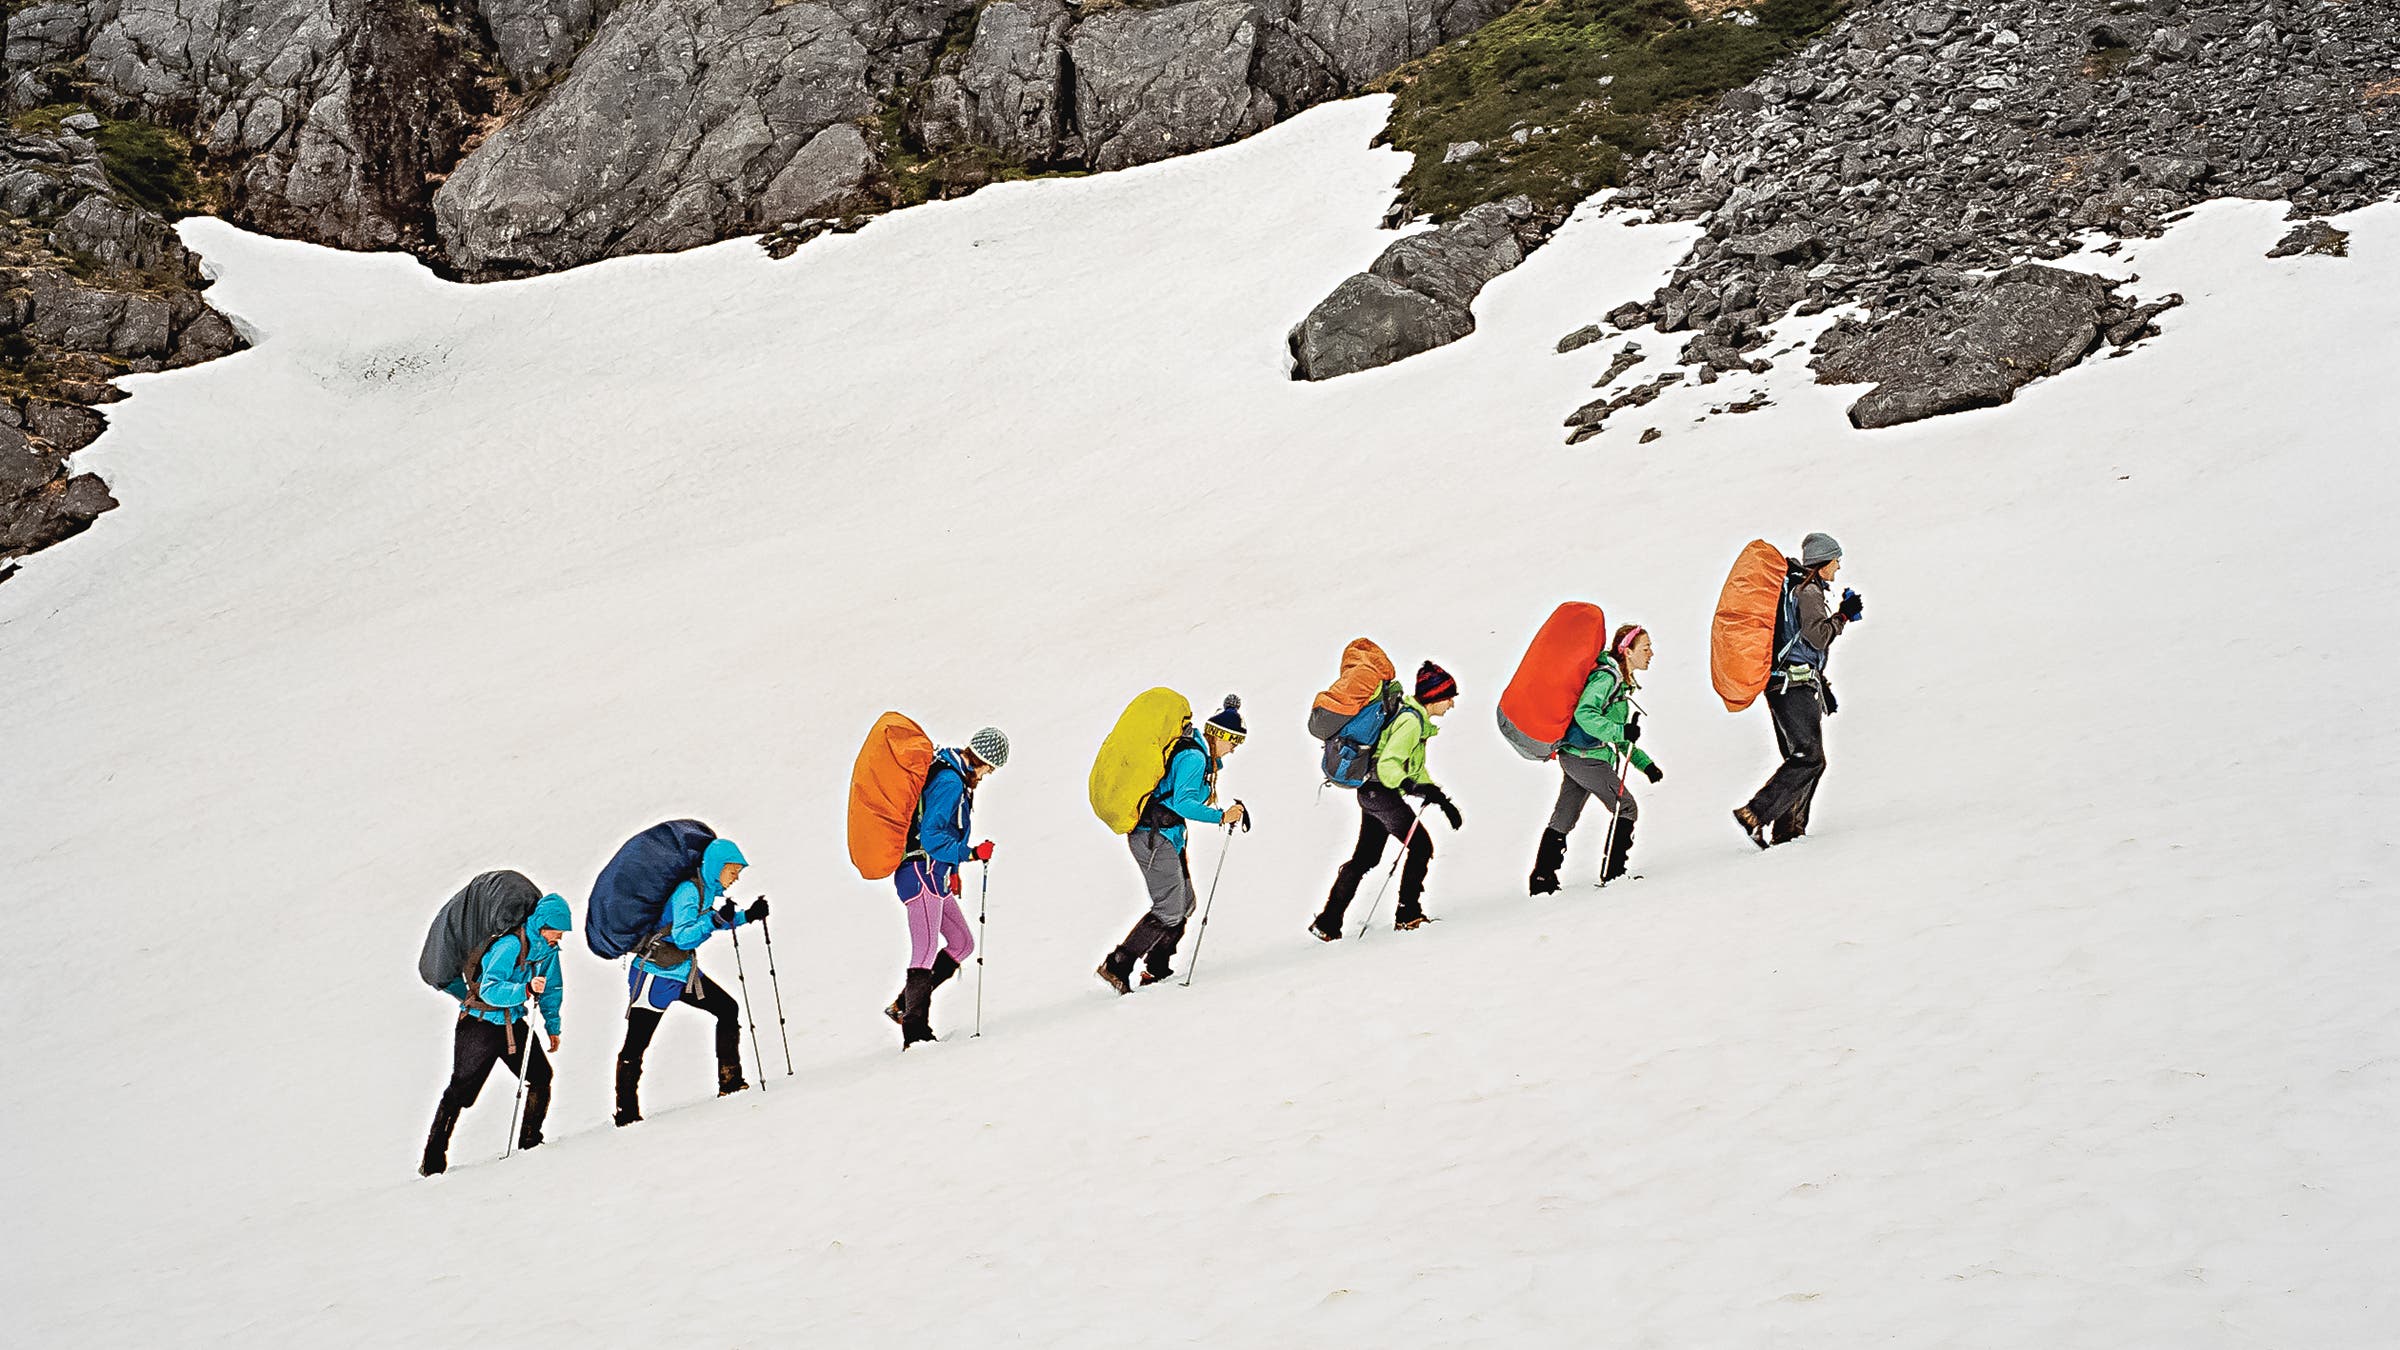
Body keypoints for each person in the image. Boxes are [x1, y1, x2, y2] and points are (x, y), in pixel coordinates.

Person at [1098, 696, 1250, 993]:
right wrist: (1221, 816)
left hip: (1167, 836)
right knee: (1169, 908)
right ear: (1220, 736)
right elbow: (1183, 803)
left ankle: (1157, 967)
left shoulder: (1199, 752)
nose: (1234, 750)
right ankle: (1117, 964)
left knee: (1186, 903)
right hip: (1154, 837)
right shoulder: (1194, 758)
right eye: (1234, 743)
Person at [613, 837, 766, 1125]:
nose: (735, 878)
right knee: (636, 1044)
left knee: (727, 1009)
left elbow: (707, 922)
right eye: (732, 871)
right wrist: (715, 921)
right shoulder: (688, 891)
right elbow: (684, 936)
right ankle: (626, 1114)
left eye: (738, 873)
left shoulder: (705, 891)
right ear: (717, 867)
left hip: (683, 973)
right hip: (654, 975)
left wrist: (747, 916)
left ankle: (731, 1081)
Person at [421, 892, 572, 1176]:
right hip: (480, 1024)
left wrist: (553, 1026)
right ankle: (432, 1163)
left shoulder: (548, 952)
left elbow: (552, 988)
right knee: (460, 1093)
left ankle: (530, 1143)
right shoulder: (509, 945)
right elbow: (489, 989)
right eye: (558, 931)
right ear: (543, 924)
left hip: (512, 1024)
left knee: (540, 1076)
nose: (560, 938)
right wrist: (525, 990)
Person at [1311, 662, 1462, 939]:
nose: (1451, 704)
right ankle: (1408, 914)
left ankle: (1327, 922)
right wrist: (1409, 785)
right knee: (1420, 847)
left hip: (1372, 793)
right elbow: (1389, 765)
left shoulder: (1414, 720)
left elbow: (1413, 768)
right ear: (1434, 697)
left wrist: (1439, 798)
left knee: (1365, 858)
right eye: (1449, 697)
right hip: (1381, 793)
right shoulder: (1410, 723)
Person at [1735, 532, 1862, 848]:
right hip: (1792, 686)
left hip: (1787, 684)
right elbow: (1817, 636)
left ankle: (1789, 831)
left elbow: (1803, 645)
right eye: (1835, 561)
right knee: (1809, 759)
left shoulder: (1797, 589)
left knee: (1802, 759)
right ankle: (1755, 813)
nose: (1838, 567)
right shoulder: (1808, 593)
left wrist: (1823, 685)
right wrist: (1844, 615)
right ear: (1822, 564)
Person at [884, 727, 1007, 1047]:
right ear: (982, 760)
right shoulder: (951, 783)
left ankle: (902, 1005)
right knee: (923, 952)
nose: (988, 774)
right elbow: (932, 836)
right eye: (990, 768)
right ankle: (915, 1031)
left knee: (962, 943)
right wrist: (970, 854)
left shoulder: (955, 774)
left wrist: (952, 870)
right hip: (920, 872)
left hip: (935, 874)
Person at [1531, 625, 1662, 892]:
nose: (1651, 653)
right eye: (1646, 648)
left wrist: (1644, 764)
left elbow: (1618, 735)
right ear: (1627, 651)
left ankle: (1542, 880)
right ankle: (1614, 873)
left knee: (1564, 817)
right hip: (1586, 758)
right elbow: (1586, 714)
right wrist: (1620, 730)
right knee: (1626, 807)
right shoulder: (1607, 679)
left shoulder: (1618, 682)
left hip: (1577, 755)